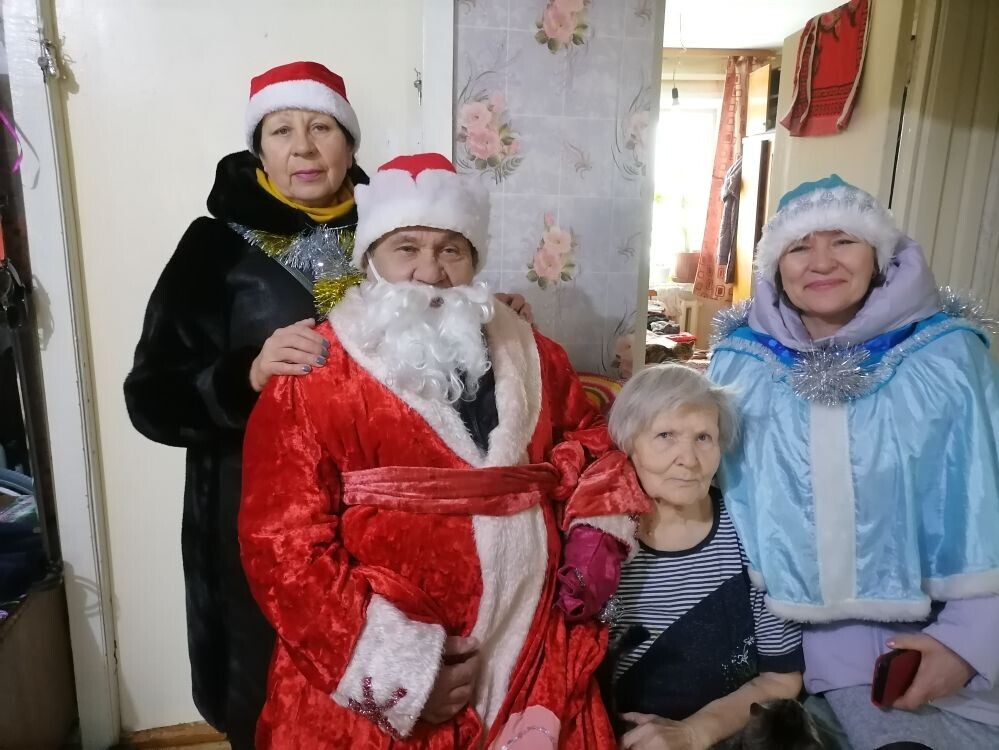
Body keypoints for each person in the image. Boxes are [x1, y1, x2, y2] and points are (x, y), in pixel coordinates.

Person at [123, 63, 530, 748]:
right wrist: (245, 374)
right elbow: (150, 399)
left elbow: (437, 338)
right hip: (260, 521)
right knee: (271, 701)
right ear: (259, 148)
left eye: (321, 128)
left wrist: (488, 317)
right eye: (282, 131)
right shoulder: (213, 247)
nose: (304, 147)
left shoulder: (394, 226)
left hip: (386, 526)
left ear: (349, 143)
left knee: (394, 702)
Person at [238, 152, 648, 748]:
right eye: (406, 247)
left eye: (450, 249)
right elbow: (281, 547)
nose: (430, 272)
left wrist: (595, 532)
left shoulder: (535, 353)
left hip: (531, 650)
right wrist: (401, 673)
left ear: (473, 260)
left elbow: (592, 442)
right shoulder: (313, 371)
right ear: (371, 258)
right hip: (379, 671)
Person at [709, 175, 999, 750]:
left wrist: (969, 644)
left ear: (878, 255)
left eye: (843, 240)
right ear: (776, 266)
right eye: (799, 246)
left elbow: (987, 499)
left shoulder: (949, 357)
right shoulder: (739, 363)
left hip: (932, 655)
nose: (821, 262)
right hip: (771, 650)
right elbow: (715, 495)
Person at [602, 364, 804, 750]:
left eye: (703, 438)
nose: (689, 460)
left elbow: (781, 678)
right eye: (665, 435)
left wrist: (695, 732)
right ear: (629, 444)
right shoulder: (600, 544)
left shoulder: (753, 537)